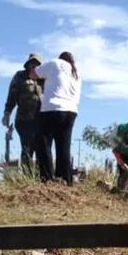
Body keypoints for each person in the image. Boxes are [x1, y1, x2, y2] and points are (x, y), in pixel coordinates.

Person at [32, 52, 81, 185]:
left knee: (43, 143)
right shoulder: (76, 73)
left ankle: (47, 179)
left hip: (52, 108)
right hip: (71, 111)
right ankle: (65, 179)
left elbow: (33, 74)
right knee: (63, 147)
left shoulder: (54, 63)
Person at [2, 53, 44, 175]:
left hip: (41, 120)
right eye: (32, 63)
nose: (35, 65)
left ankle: (40, 177)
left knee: (41, 148)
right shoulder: (20, 76)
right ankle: (27, 177)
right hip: (24, 119)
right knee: (27, 148)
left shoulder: (43, 78)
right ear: (28, 64)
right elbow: (12, 96)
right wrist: (7, 113)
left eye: (37, 64)